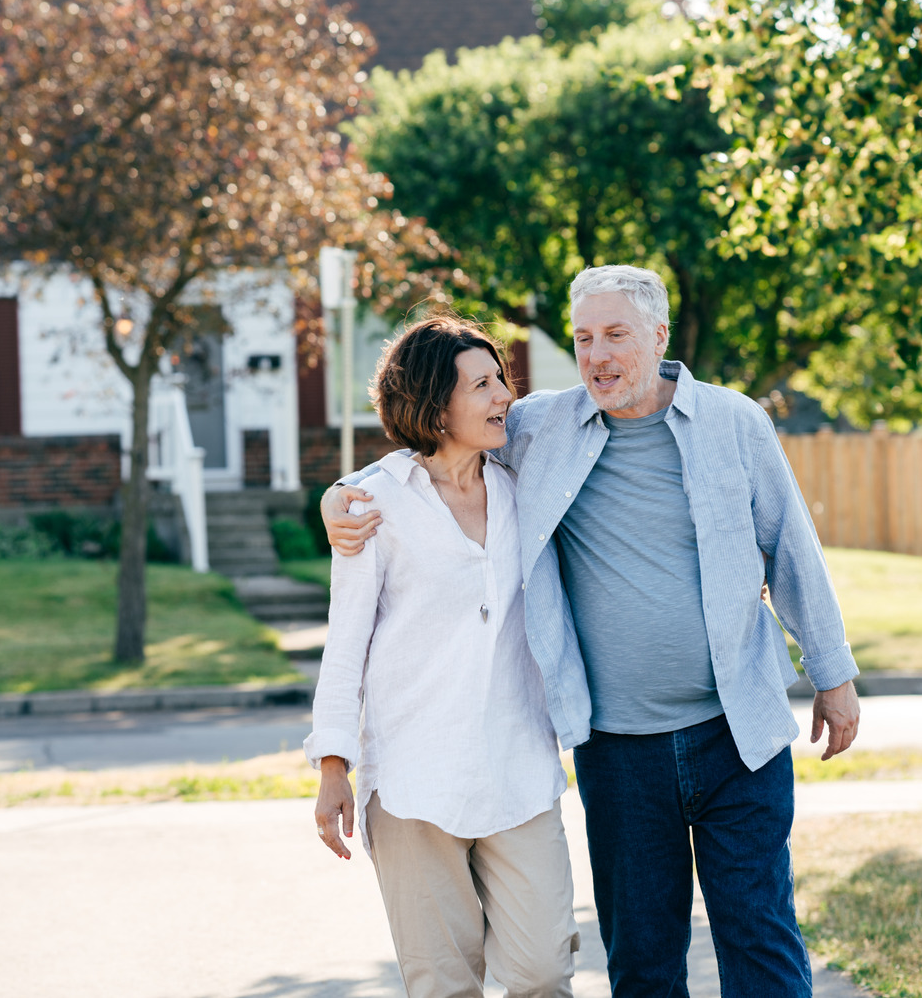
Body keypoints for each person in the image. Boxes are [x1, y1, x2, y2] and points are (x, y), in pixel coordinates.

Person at [323, 265, 862, 998]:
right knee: (641, 961)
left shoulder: (734, 424)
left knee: (760, 939)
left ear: (659, 337)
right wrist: (339, 496)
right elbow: (429, 455)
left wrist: (833, 675)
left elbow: (791, 546)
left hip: (739, 735)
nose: (598, 355)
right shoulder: (541, 428)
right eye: (582, 338)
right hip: (617, 750)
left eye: (616, 335)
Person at [305, 313, 579, 998]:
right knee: (444, 985)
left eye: (501, 379)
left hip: (518, 771)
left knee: (544, 970)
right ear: (435, 405)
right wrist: (333, 766)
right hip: (413, 784)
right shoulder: (375, 504)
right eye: (482, 384)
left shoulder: (522, 488)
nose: (503, 396)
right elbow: (346, 642)